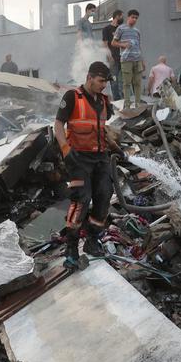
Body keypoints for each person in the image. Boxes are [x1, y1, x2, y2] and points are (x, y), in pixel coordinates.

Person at [53, 62, 115, 269]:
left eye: (106, 81)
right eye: (101, 81)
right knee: (81, 199)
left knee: (104, 195)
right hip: (77, 159)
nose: (104, 85)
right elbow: (59, 124)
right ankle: (71, 246)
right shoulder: (72, 97)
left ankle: (92, 239)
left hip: (100, 158)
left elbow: (103, 129)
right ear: (89, 77)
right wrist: (64, 149)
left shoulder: (105, 101)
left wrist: (116, 147)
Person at [110, 9, 143, 108]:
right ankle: (127, 104)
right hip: (126, 60)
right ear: (128, 17)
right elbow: (113, 42)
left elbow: (139, 46)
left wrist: (142, 60)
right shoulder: (121, 29)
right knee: (127, 83)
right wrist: (123, 44)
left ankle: (138, 103)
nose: (134, 19)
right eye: (133, 17)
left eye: (136, 18)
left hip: (137, 59)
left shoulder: (137, 31)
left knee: (137, 83)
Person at [100, 11, 124, 100]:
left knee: (124, 81)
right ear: (116, 16)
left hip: (123, 59)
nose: (122, 18)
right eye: (121, 16)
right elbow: (105, 44)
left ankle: (125, 101)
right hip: (113, 59)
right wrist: (109, 57)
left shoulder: (122, 29)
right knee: (114, 81)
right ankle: (117, 101)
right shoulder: (106, 29)